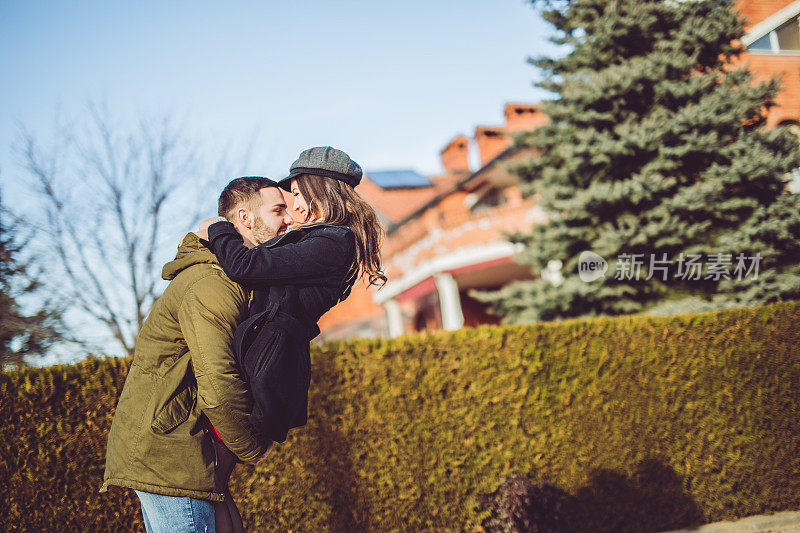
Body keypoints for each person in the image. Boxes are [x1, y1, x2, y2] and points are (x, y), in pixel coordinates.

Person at [195, 146, 386, 529]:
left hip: (264, 365)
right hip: (267, 360)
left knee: (207, 485)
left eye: (297, 194)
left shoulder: (334, 241)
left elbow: (247, 266)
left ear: (320, 192)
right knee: (213, 485)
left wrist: (217, 227)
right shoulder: (322, 238)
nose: (293, 205)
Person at [100, 176, 292, 533]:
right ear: (245, 219)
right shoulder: (210, 284)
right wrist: (251, 447)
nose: (288, 219)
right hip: (170, 450)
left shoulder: (236, 281)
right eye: (278, 210)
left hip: (189, 447)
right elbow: (218, 381)